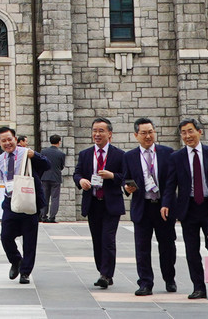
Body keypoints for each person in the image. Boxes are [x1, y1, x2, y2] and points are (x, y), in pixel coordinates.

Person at [162, 118, 208, 300]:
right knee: (191, 249)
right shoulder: (176, 157)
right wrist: (165, 203)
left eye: (190, 131)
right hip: (189, 207)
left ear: (199, 132)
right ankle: (198, 286)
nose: (187, 136)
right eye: (184, 133)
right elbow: (170, 184)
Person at [122, 118, 176, 296]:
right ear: (136, 135)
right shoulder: (129, 156)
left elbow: (170, 182)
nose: (148, 136)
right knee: (142, 247)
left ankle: (169, 278)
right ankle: (145, 282)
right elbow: (125, 179)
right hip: (142, 206)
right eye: (144, 133)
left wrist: (167, 202)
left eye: (151, 132)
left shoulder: (167, 153)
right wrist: (127, 188)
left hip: (163, 207)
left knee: (167, 245)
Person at [74, 117, 125, 289]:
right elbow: (77, 173)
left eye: (101, 131)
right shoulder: (85, 154)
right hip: (93, 202)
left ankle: (106, 274)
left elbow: (125, 177)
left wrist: (112, 176)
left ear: (110, 134)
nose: (97, 134)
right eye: (94, 131)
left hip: (111, 204)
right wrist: (81, 181)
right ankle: (103, 271)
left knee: (108, 239)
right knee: (97, 240)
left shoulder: (119, 155)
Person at [0, 127, 49, 284]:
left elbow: (47, 165)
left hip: (29, 199)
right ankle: (16, 260)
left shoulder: (26, 153)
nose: (7, 143)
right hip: (10, 201)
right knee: (5, 236)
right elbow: (3, 180)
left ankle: (25, 272)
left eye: (10, 139)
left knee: (30, 239)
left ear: (15, 139)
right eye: (3, 140)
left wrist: (36, 155)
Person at [39, 135, 65, 223]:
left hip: (44, 176)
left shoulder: (44, 151)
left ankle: (43, 216)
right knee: (55, 198)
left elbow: (41, 163)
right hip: (56, 177)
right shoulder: (61, 154)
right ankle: (52, 217)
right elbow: (61, 166)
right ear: (59, 142)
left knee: (44, 197)